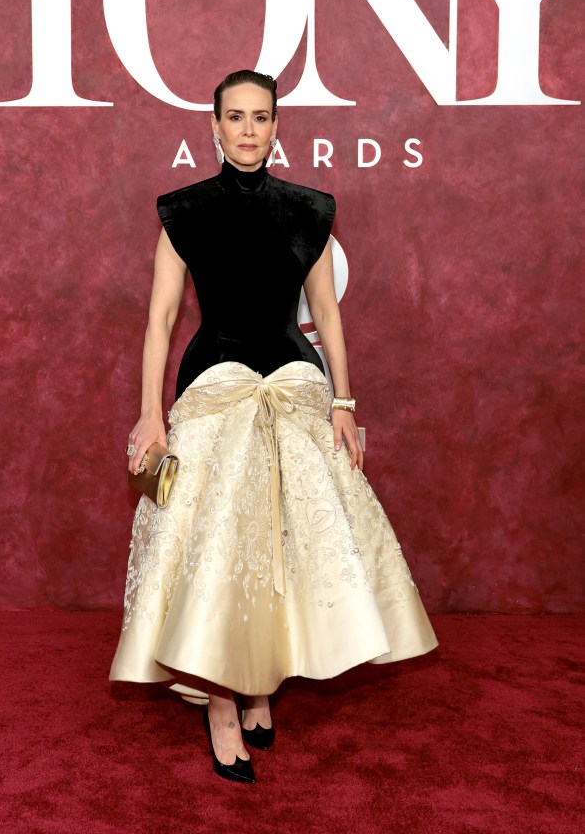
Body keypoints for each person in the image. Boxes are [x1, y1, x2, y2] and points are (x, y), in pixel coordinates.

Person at [109, 69, 438, 784]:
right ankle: (221, 702)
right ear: (213, 126)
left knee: (284, 542)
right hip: (212, 387)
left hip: (293, 384)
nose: (248, 129)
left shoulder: (310, 209)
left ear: (276, 125)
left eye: (261, 117)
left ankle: (260, 680)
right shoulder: (183, 210)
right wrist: (149, 413)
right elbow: (161, 318)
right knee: (217, 545)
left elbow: (327, 315)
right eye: (235, 117)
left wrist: (344, 406)